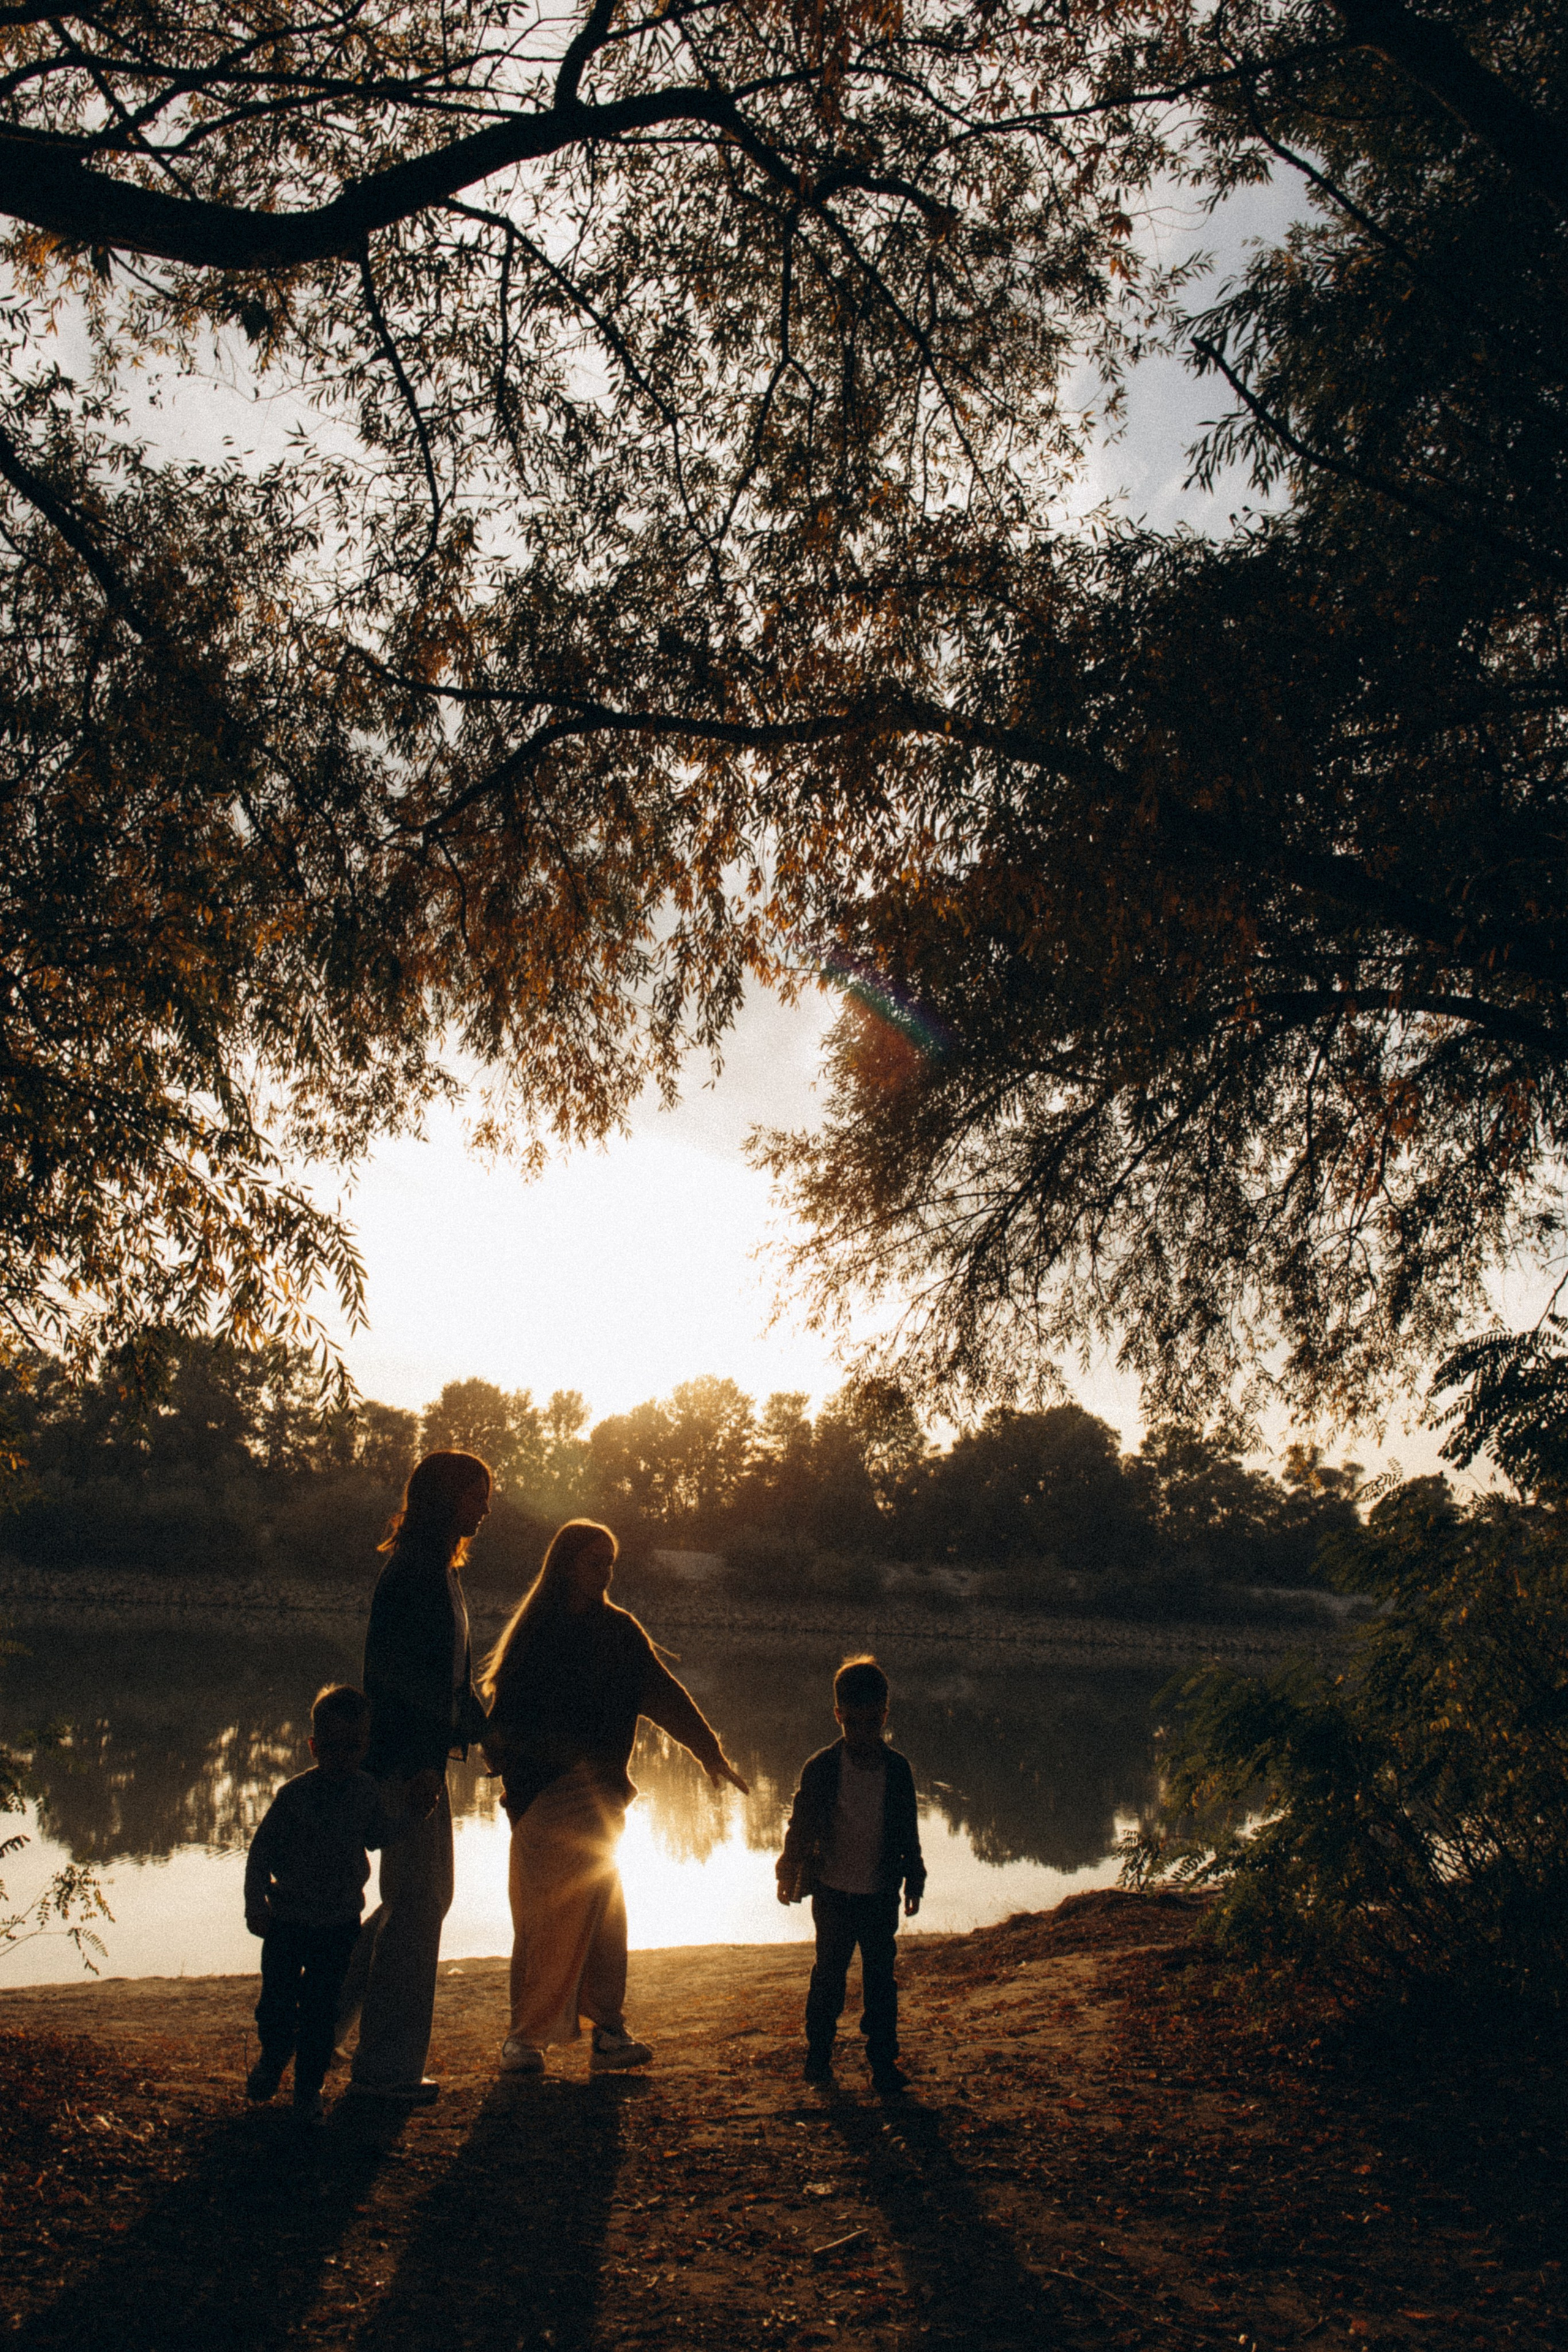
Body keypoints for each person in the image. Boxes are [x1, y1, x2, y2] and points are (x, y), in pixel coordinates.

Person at [481, 1518, 750, 2076]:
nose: (604, 1574)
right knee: (545, 1922)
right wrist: (502, 1762)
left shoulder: (620, 1633)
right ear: (566, 1565)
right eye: (594, 1562)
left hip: (602, 1799)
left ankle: (608, 2032)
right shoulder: (537, 1633)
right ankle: (524, 2040)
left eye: (610, 1564)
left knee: (605, 1919)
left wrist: (709, 1751)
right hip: (544, 1801)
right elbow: (502, 1721)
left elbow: (664, 1696)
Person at [337, 1448, 492, 2104]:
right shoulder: (417, 1574)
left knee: (418, 1901)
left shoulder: (435, 1569)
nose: (486, 1506)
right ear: (446, 1498)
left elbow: (450, 1682)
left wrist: (486, 1736)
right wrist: (424, 1761)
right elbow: (403, 1682)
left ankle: (321, 2017)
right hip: (407, 1763)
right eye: (477, 1494)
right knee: (417, 1905)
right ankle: (385, 2068)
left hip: (417, 1758)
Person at [243, 1683, 404, 2122]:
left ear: (365, 1747)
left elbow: (376, 1837)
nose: (343, 1757)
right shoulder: (293, 1797)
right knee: (276, 2001)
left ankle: (308, 2088)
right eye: (332, 1747)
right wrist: (255, 1903)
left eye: (353, 1747)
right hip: (288, 1920)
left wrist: (410, 1817)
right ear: (314, 1746)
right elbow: (260, 1854)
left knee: (321, 2008)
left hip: (337, 1924)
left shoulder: (366, 1792)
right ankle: (273, 2057)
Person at [776, 1654, 926, 2094]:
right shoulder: (821, 1768)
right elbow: (799, 1826)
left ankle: (882, 2060)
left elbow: (908, 1831)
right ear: (838, 1716)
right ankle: (818, 2055)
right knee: (829, 1976)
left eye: (871, 1724)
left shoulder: (897, 1771)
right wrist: (788, 1870)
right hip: (834, 1893)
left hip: (880, 1893)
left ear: (884, 1716)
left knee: (881, 1978)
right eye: (853, 1724)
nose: (862, 1734)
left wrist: (913, 1880)